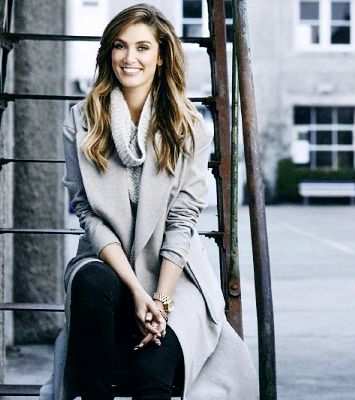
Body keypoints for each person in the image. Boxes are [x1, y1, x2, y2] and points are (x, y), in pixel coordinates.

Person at [40, 3, 258, 400]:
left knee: (152, 374)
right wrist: (136, 291)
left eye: (142, 47)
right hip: (108, 263)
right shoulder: (81, 119)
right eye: (120, 46)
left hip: (173, 273)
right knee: (90, 281)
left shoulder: (189, 125)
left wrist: (160, 298)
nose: (130, 58)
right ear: (109, 52)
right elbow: (86, 212)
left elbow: (183, 218)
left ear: (160, 57)